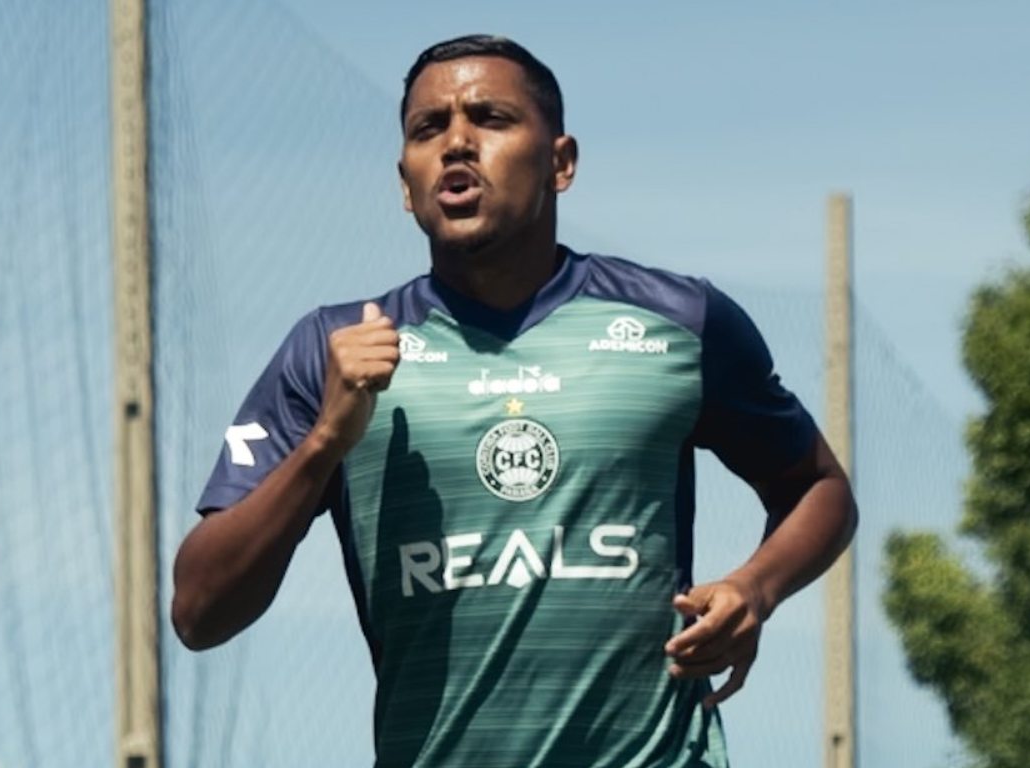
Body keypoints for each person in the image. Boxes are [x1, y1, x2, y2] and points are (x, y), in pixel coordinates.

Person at [171, 34, 857, 768]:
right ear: (406, 184)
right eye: (428, 129)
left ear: (560, 162)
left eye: (490, 119)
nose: (457, 143)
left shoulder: (681, 323)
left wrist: (753, 590)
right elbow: (199, 612)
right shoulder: (333, 349)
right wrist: (324, 445)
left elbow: (818, 489)